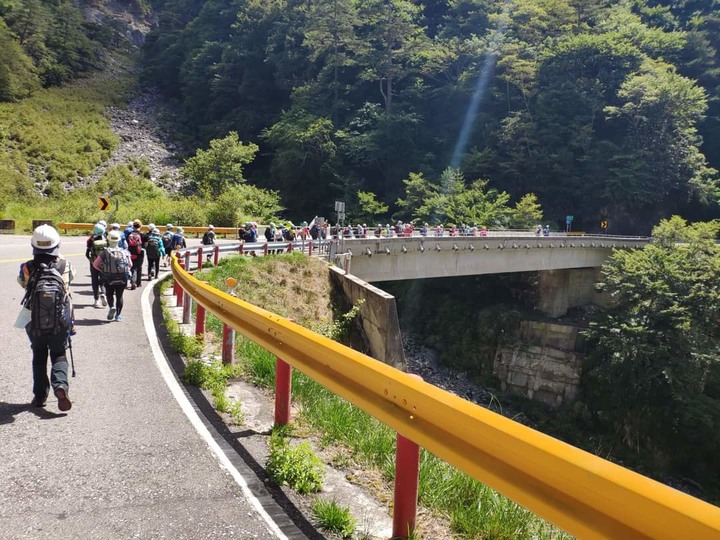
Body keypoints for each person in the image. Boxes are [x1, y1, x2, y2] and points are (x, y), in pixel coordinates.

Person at [18, 225, 75, 411]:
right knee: (59, 353)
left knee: (39, 355)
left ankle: (40, 395)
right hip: (60, 319)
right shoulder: (65, 265)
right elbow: (69, 282)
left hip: (34, 320)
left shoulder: (26, 267)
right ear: (57, 244)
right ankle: (60, 386)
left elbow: (23, 284)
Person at [93, 230, 131, 321]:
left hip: (109, 277)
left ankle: (111, 307)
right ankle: (118, 316)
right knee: (119, 296)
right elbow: (130, 265)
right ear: (119, 240)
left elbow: (95, 264)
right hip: (122, 277)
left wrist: (103, 270)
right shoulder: (125, 252)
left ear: (108, 240)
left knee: (109, 294)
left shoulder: (105, 252)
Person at [85, 223, 107, 308]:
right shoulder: (106, 240)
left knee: (94, 281)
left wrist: (92, 261)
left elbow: (87, 254)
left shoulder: (91, 240)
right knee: (103, 280)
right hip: (104, 264)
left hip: (93, 263)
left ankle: (96, 300)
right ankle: (103, 294)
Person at [127, 219, 145, 289]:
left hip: (131, 252)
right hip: (140, 252)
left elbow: (127, 243)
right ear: (140, 226)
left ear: (133, 226)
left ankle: (133, 281)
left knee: (132, 267)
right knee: (139, 267)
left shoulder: (129, 234)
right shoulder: (142, 234)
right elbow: (145, 244)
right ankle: (138, 283)